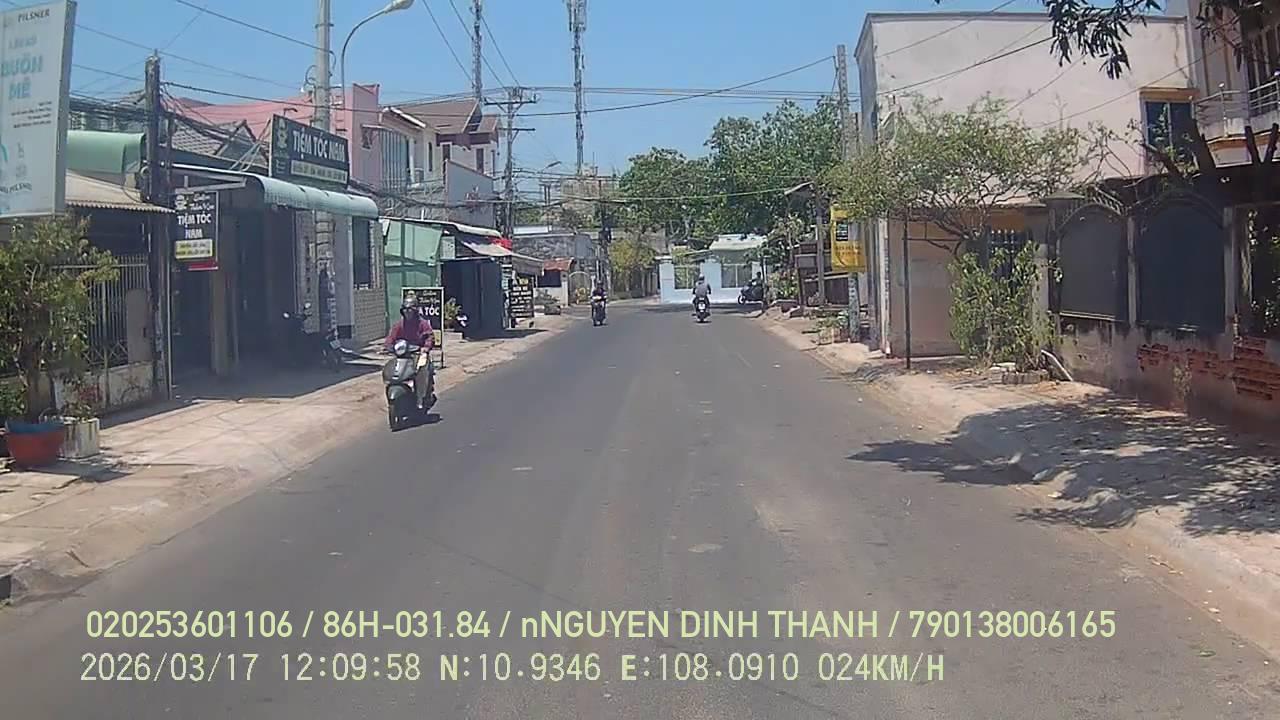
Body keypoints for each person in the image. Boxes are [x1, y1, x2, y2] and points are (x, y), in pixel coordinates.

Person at [385, 299, 436, 409]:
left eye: (410, 310)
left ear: (415, 311)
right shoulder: (399, 325)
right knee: (391, 368)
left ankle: (420, 398)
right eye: (405, 310)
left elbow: (429, 336)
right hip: (403, 354)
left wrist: (426, 347)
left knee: (421, 369)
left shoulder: (422, 324)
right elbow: (391, 338)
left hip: (418, 353)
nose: (407, 312)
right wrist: (388, 346)